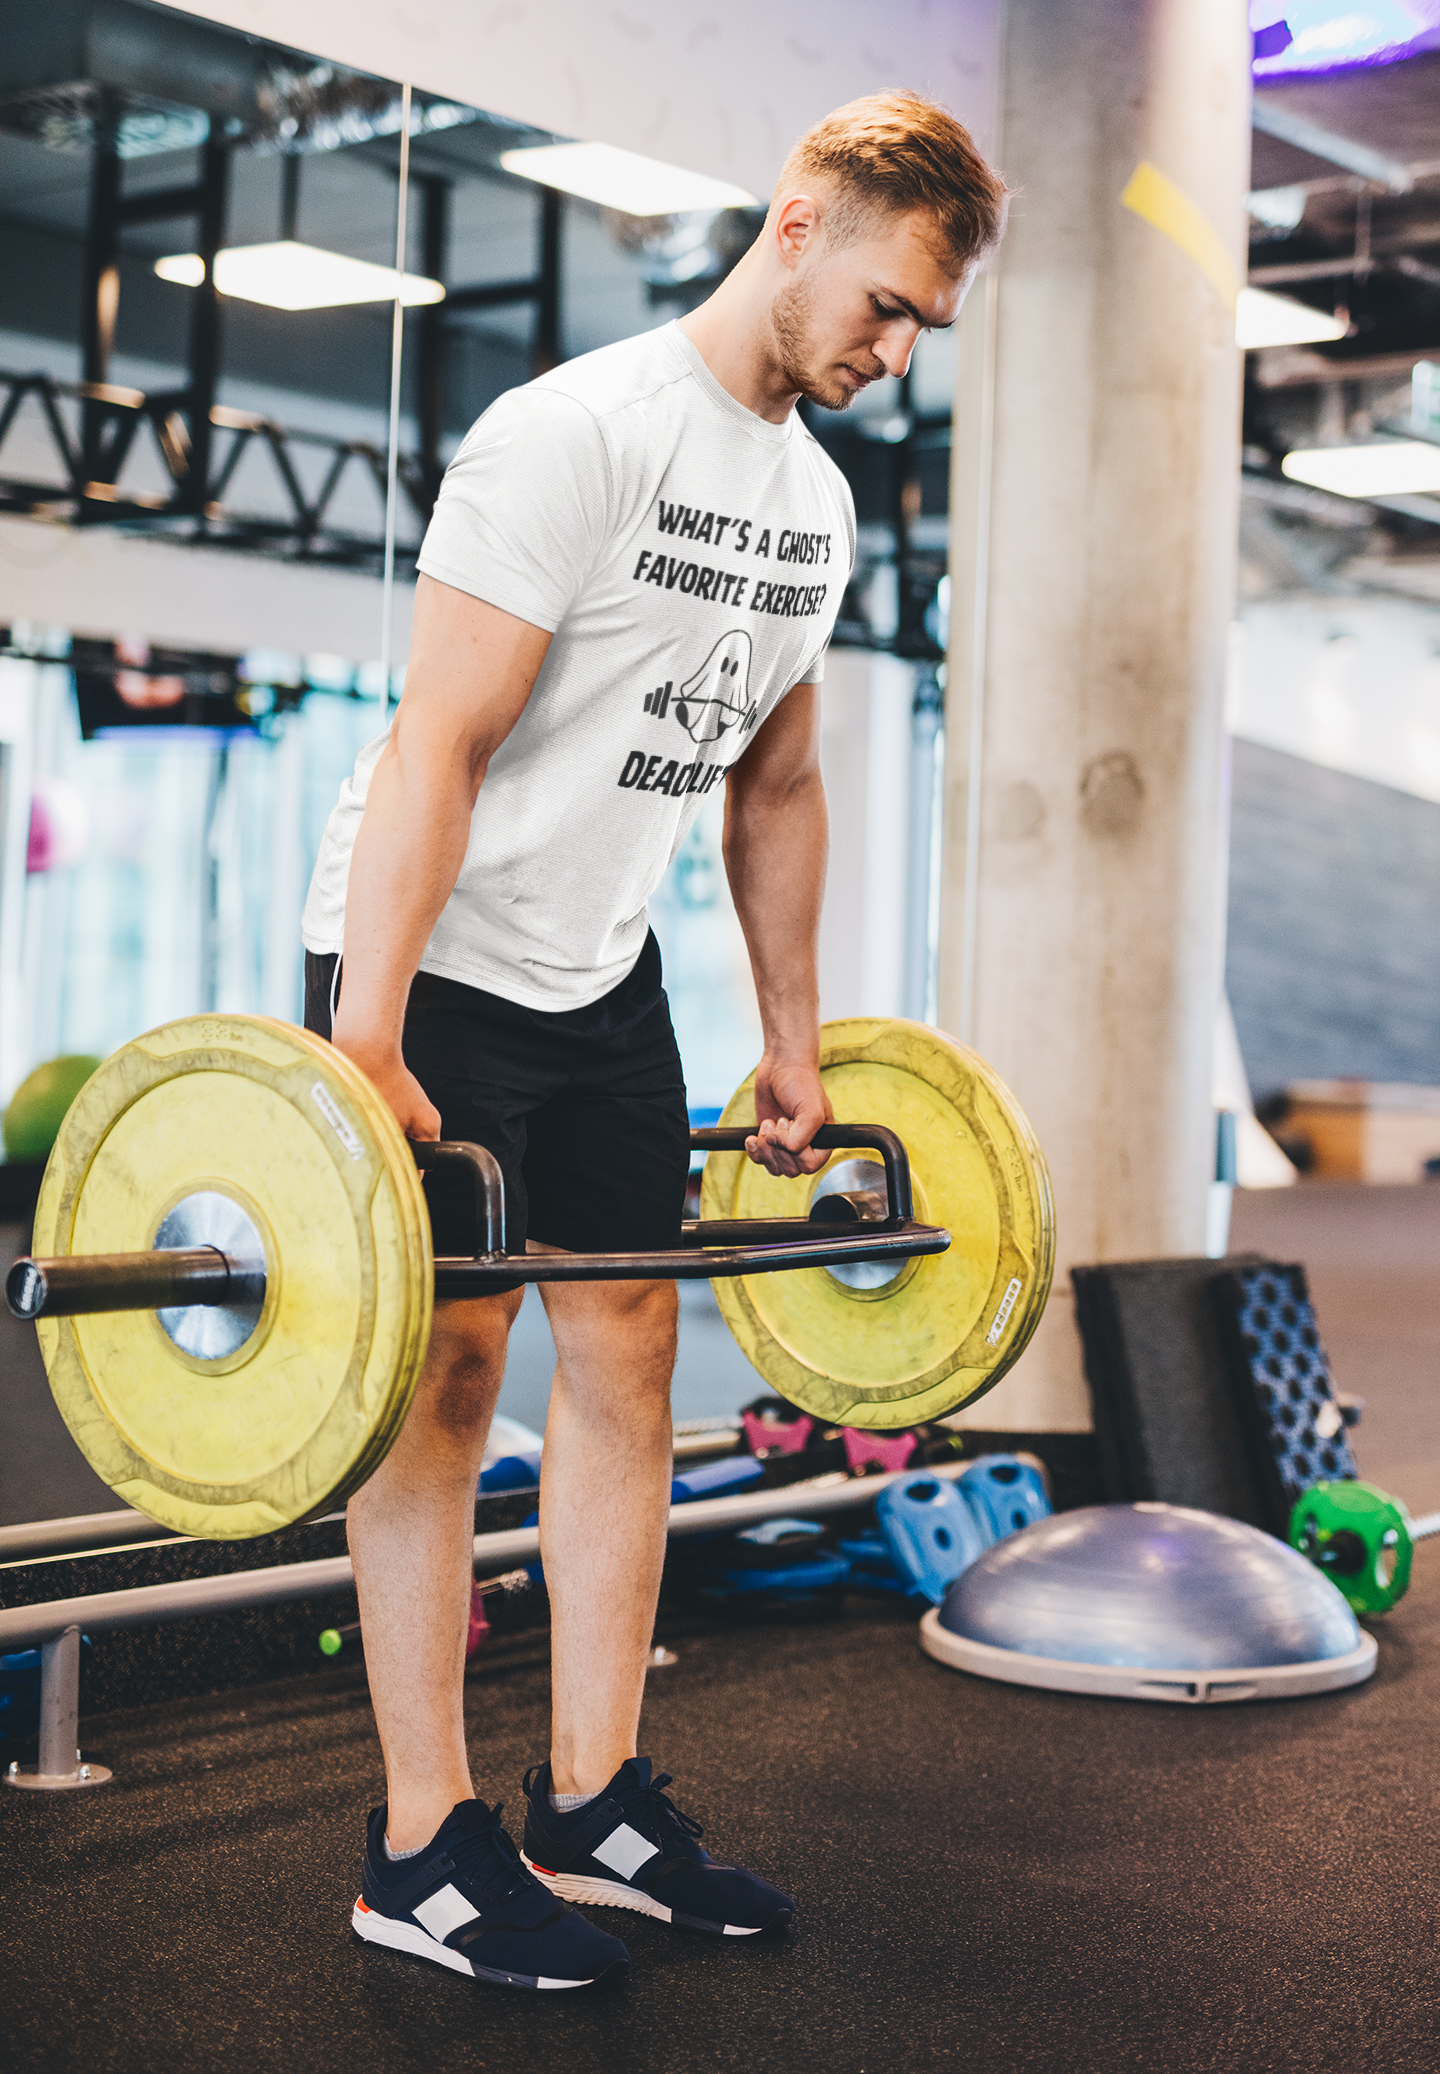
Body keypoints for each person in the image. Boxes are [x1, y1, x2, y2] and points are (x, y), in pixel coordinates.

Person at [301, 87, 1007, 1993]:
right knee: (450, 1378)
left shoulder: (816, 503)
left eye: (922, 329)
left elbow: (775, 787)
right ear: (793, 226)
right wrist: (365, 1031)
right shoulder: (576, 434)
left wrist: (794, 1042)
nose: (892, 348)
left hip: (603, 971)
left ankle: (594, 1797)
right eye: (884, 305)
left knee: (627, 1345)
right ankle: (419, 1841)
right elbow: (435, 745)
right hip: (431, 958)